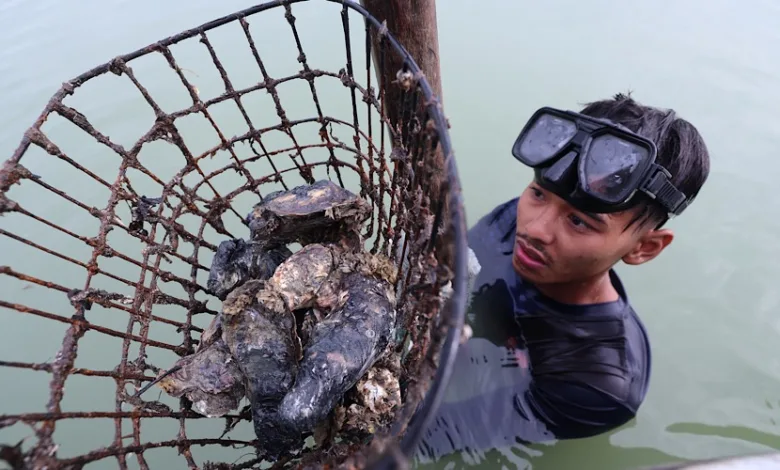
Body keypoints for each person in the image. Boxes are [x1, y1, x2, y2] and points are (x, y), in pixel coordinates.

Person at [413, 93, 711, 462]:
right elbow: (443, 276)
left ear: (644, 248)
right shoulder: (514, 220)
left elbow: (439, 434)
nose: (534, 229)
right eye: (538, 193)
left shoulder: (599, 384)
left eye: (578, 221)